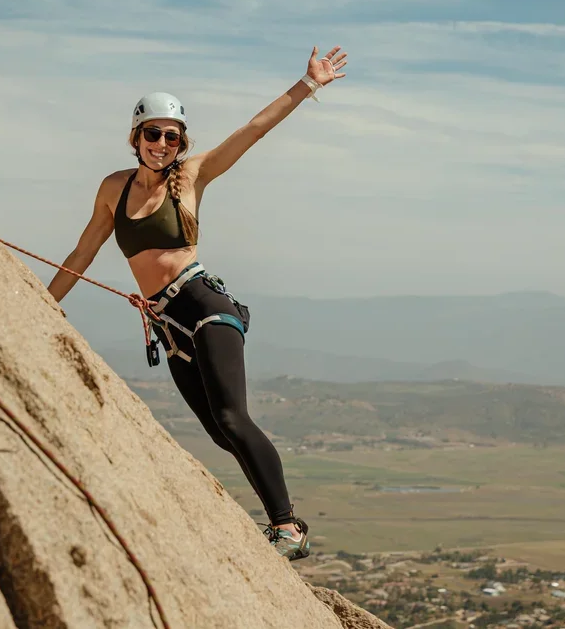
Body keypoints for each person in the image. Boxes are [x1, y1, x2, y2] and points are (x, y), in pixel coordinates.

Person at [46, 45, 348, 561]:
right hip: (167, 323)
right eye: (153, 133)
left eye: (172, 135)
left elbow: (252, 130)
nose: (163, 143)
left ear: (181, 141)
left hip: (204, 306)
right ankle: (279, 521)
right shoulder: (112, 190)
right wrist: (43, 301)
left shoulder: (190, 178)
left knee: (232, 417)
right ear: (135, 137)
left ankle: (287, 527)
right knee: (216, 429)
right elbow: (84, 249)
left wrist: (308, 84)